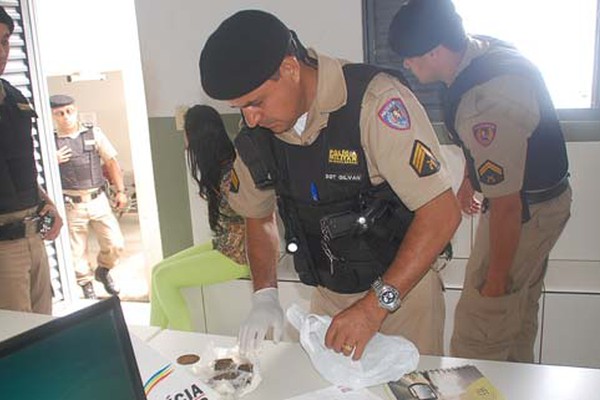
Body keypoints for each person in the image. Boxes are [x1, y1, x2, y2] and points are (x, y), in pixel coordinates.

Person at [199, 10, 461, 360]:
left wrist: (372, 308)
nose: (250, 118)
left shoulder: (373, 102)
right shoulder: (258, 138)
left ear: (290, 69)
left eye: (256, 102)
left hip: (403, 297)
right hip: (329, 296)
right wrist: (265, 295)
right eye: (240, 108)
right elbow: (257, 216)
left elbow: (442, 213)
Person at [389, 0, 572, 362]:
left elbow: (506, 207)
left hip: (525, 213)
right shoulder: (480, 52)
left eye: (411, 57)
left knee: (480, 331)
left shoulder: (487, 102)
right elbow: (505, 148)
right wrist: (471, 179)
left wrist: (494, 283)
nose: (406, 65)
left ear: (436, 51)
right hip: (541, 202)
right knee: (517, 316)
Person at [150, 104, 250, 331]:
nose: (183, 135)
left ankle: (186, 347)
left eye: (186, 130)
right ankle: (154, 337)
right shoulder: (222, 165)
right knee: (157, 270)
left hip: (240, 256)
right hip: (227, 245)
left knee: (164, 278)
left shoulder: (230, 173)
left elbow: (252, 217)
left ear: (196, 135)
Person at [0, 6, 63, 314]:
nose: (2, 51)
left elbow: (20, 170)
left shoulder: (14, 98)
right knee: (14, 343)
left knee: (43, 330)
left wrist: (47, 203)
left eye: (4, 41)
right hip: (2, 249)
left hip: (33, 237)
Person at [50, 94, 127, 299]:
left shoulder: (93, 133)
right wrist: (52, 159)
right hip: (71, 204)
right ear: (53, 116)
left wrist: (120, 190)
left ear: (75, 111)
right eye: (59, 113)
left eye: (69, 111)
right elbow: (38, 169)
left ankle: (103, 270)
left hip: (97, 199)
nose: (66, 117)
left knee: (115, 243)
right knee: (77, 252)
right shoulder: (50, 141)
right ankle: (86, 285)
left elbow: (111, 162)